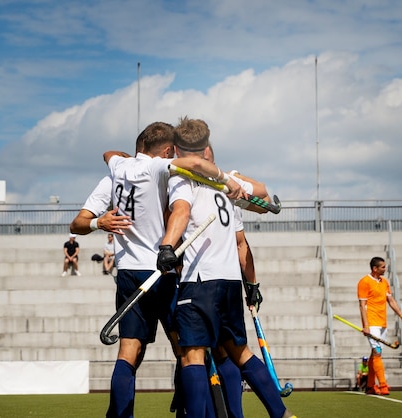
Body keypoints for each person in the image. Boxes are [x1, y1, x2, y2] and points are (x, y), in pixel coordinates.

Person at [102, 121, 244, 418]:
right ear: (167, 152)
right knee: (188, 349)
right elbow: (194, 162)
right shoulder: (159, 169)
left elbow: (108, 152)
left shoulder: (118, 166)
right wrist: (227, 180)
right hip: (163, 271)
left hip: (129, 271)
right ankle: (196, 412)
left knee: (128, 351)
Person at [158, 117, 295, 418]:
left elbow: (180, 211)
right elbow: (260, 196)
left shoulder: (182, 179)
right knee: (239, 352)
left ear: (177, 148)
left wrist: (167, 245)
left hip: (200, 280)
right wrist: (236, 182)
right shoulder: (225, 183)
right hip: (230, 281)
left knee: (191, 355)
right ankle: (281, 414)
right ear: (207, 147)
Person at [357, 256, 402, 396]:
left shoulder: (384, 282)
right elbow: (362, 306)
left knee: (375, 354)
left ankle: (369, 386)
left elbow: (390, 300)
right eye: (383, 267)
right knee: (377, 353)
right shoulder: (364, 282)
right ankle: (383, 385)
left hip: (382, 323)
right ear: (375, 269)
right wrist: (366, 326)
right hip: (372, 323)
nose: (385, 269)